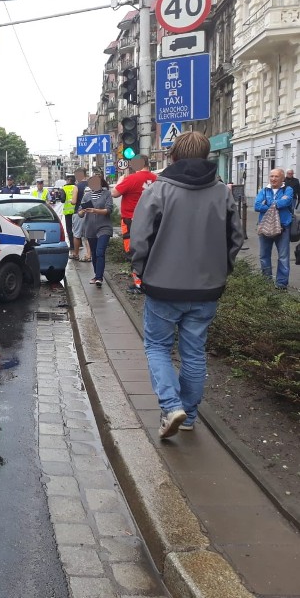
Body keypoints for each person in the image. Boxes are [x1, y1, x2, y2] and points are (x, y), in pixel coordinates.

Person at [130, 131, 243, 439]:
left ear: (174, 156)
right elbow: (236, 238)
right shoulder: (222, 192)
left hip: (162, 286)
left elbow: (140, 239)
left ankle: (170, 406)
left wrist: (140, 270)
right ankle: (190, 415)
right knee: (194, 352)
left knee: (157, 346)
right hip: (207, 288)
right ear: (207, 156)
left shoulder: (157, 191)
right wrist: (222, 270)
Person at [112, 156, 157, 293]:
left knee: (134, 252)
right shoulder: (157, 179)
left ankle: (139, 284)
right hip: (153, 219)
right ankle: (152, 281)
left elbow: (114, 193)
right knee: (151, 250)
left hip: (131, 220)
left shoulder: (130, 179)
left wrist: (119, 181)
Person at [254, 168, 293, 289]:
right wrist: (276, 204)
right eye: (271, 176)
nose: (273, 179)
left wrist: (267, 205)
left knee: (283, 257)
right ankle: (266, 282)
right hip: (265, 227)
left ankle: (281, 285)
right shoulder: (264, 190)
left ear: (282, 178)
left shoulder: (288, 189)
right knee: (264, 256)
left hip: (283, 227)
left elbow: (285, 203)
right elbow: (256, 205)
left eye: (276, 176)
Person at [78, 174, 113, 288]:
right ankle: (96, 275)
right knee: (94, 254)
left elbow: (108, 210)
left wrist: (95, 210)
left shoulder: (106, 194)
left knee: (100, 252)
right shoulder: (87, 196)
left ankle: (99, 277)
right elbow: (79, 213)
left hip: (104, 227)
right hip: (90, 228)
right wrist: (82, 212)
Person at [71, 168, 90, 262]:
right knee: (87, 235)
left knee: (77, 235)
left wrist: (71, 200)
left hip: (79, 212)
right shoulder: (91, 185)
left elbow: (74, 201)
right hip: (90, 211)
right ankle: (88, 255)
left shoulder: (77, 186)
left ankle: (76, 254)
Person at [61, 174, 77, 256]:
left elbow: (62, 200)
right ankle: (79, 244)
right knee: (77, 229)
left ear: (67, 180)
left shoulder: (64, 188)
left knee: (69, 229)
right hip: (76, 211)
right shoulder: (76, 187)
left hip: (68, 212)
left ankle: (72, 245)